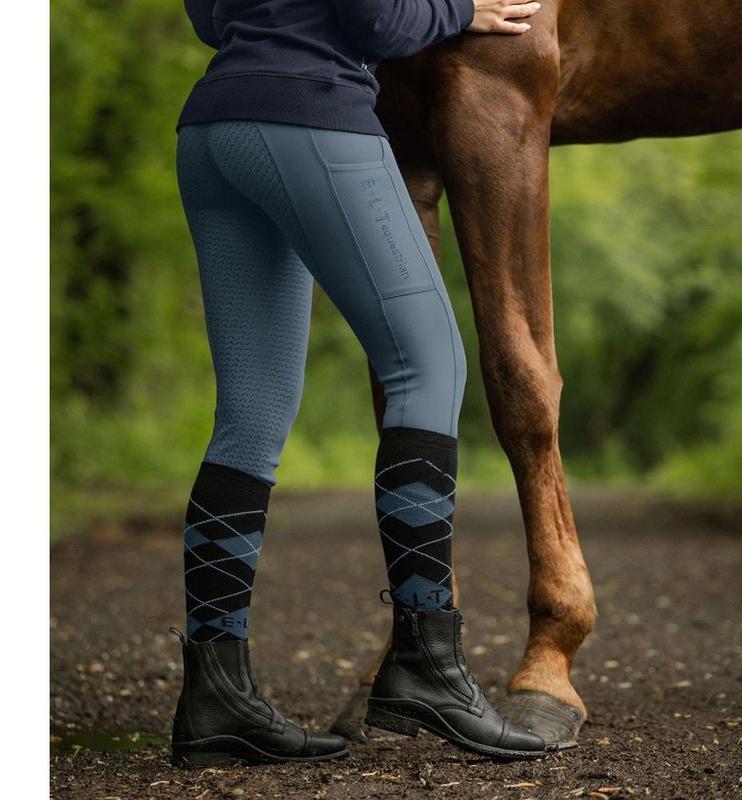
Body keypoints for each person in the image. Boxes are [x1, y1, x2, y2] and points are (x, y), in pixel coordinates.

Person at [171, 0, 548, 767]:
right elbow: (379, 19)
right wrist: (460, 8)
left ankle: (216, 693)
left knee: (251, 414)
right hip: (311, 117)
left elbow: (211, 19)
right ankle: (425, 664)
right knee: (428, 364)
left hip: (213, 130)